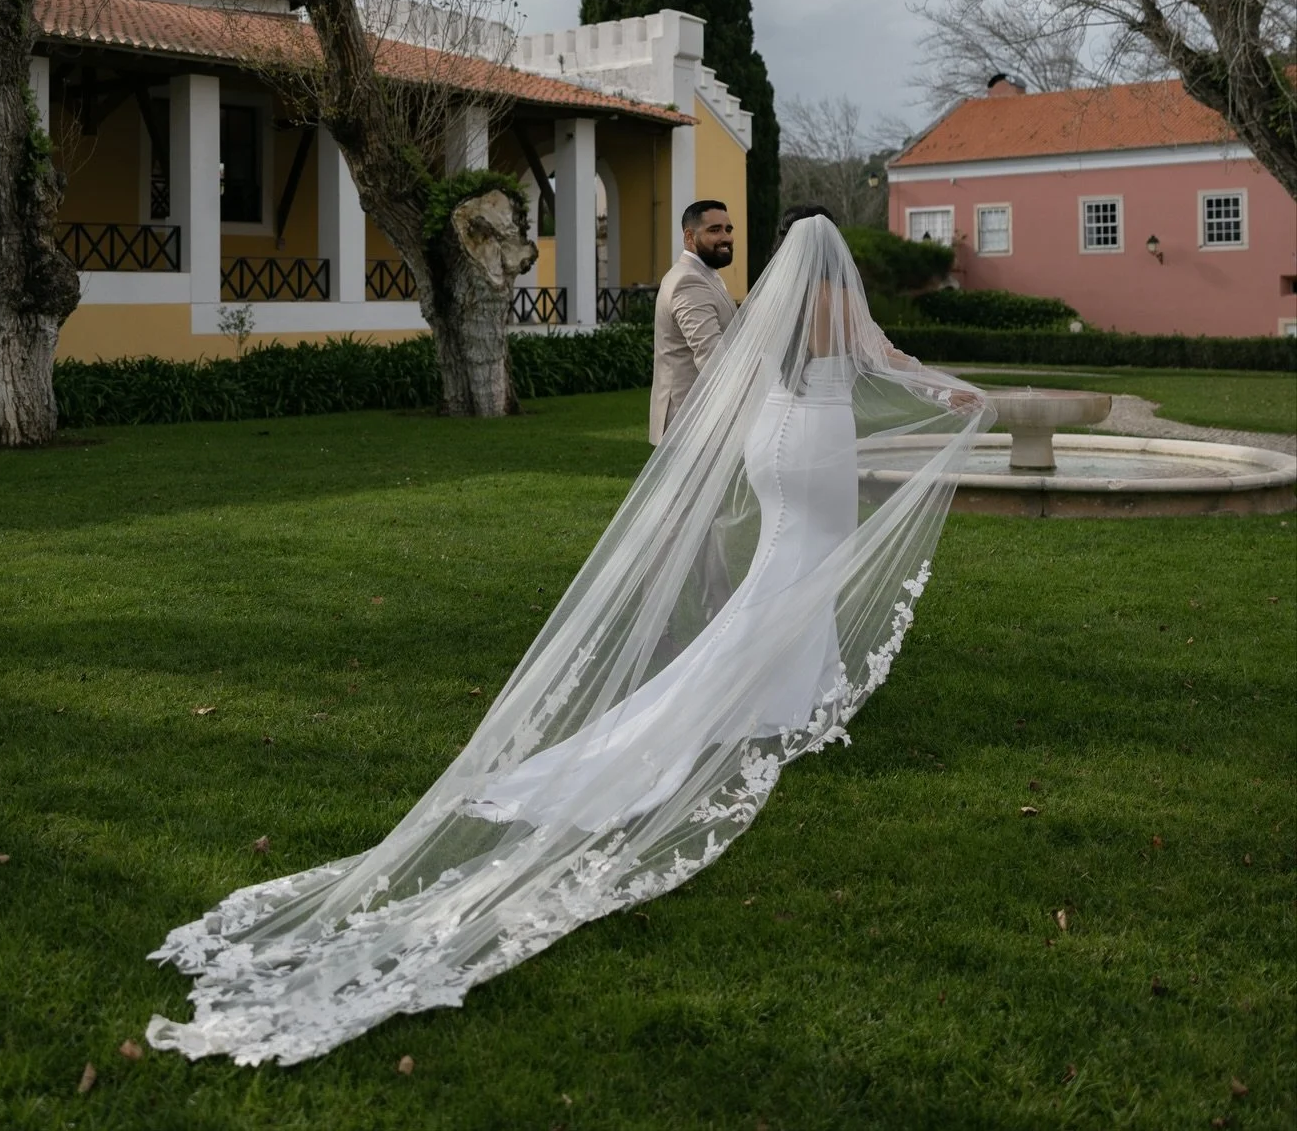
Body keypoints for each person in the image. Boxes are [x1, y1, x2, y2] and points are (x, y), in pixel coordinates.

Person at [147, 216, 991, 1066]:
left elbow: (739, 369)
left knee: (782, 570)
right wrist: (959, 392)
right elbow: (882, 359)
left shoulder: (772, 304)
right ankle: (771, 690)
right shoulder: (837, 304)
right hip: (817, 444)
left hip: (775, 438)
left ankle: (787, 684)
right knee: (807, 568)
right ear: (836, 259)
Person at [650, 199, 738, 443]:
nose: (726, 237)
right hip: (689, 420)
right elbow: (711, 355)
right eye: (714, 230)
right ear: (689, 237)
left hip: (700, 417)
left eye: (728, 229)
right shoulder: (688, 281)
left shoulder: (704, 275)